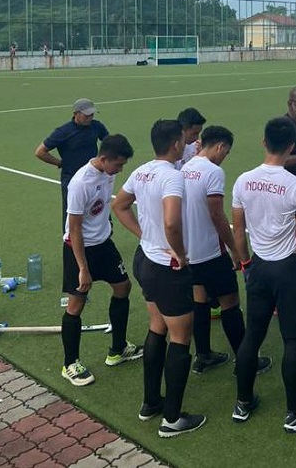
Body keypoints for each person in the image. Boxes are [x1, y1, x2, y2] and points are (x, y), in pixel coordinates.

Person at [112, 120, 206, 438]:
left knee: (157, 328)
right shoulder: (172, 177)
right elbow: (171, 222)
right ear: (177, 143)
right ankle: (173, 418)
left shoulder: (142, 170)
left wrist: (143, 236)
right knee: (181, 338)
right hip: (167, 266)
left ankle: (151, 402)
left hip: (145, 260)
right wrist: (178, 251)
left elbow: (119, 205)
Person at [230, 117, 296, 433]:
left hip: (260, 266)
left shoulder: (243, 180)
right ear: (292, 147)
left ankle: (243, 402)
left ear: (263, 142)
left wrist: (245, 264)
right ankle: (295, 411)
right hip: (289, 268)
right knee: (292, 339)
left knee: (252, 334)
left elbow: (238, 230)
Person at [181, 125, 272, 375]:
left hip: (189, 251)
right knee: (230, 301)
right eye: (226, 152)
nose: (225, 157)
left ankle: (203, 354)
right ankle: (246, 359)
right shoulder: (213, 172)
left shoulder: (185, 167)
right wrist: (234, 247)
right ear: (220, 146)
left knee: (200, 299)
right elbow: (217, 214)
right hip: (210, 251)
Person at [60, 135, 141, 387]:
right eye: (118, 165)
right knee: (77, 303)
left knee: (123, 287)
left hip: (104, 243)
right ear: (103, 159)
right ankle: (70, 363)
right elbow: (74, 229)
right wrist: (83, 269)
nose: (120, 170)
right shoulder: (80, 183)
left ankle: (117, 349)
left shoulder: (107, 173)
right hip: (79, 248)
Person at [35, 98, 109, 227]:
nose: (90, 117)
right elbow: (40, 152)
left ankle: (102, 238)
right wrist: (59, 163)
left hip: (94, 177)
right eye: (86, 115)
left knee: (98, 209)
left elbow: (109, 142)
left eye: (92, 114)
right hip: (71, 179)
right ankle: (70, 244)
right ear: (76, 114)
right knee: (72, 215)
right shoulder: (63, 132)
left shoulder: (97, 126)